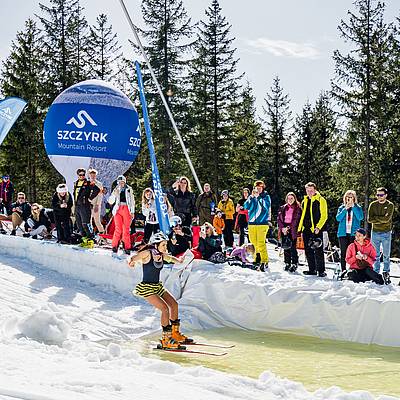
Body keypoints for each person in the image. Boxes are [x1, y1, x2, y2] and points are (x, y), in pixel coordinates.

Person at [127, 232, 191, 349]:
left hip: (157, 286)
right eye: (163, 245)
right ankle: (166, 339)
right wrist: (131, 262)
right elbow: (134, 257)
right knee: (164, 309)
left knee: (174, 305)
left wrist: (179, 260)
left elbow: (170, 258)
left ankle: (175, 334)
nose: (166, 247)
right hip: (147, 288)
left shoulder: (161, 255)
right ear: (156, 245)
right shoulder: (148, 253)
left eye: (166, 245)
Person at [297, 182, 328, 277]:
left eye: (311, 190)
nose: (309, 192)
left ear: (315, 190)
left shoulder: (321, 200)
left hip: (316, 229)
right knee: (308, 250)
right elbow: (303, 215)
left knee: (318, 249)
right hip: (306, 228)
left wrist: (318, 227)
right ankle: (312, 269)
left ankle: (321, 270)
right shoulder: (304, 201)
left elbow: (324, 215)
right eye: (308, 190)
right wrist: (300, 228)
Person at [367, 187, 394, 284]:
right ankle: (376, 272)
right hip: (375, 232)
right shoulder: (373, 205)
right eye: (377, 195)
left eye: (381, 195)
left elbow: (386, 219)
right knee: (375, 255)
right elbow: (369, 219)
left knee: (386, 255)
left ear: (386, 195)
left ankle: (386, 272)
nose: (379, 197)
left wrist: (376, 218)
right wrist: (381, 219)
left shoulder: (390, 205)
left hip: (386, 232)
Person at [244, 180, 271, 271]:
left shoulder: (266, 197)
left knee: (261, 242)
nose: (258, 189)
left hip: (262, 223)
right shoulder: (252, 197)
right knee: (253, 242)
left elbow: (266, 206)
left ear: (263, 188)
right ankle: (256, 258)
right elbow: (246, 206)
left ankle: (265, 260)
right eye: (257, 188)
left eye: (260, 188)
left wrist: (258, 197)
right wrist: (251, 197)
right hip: (252, 223)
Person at [336, 190, 364, 272]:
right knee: (343, 253)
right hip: (343, 234)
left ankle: (353, 269)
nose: (349, 199)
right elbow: (338, 218)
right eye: (347, 197)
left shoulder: (358, 207)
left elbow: (360, 217)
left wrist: (353, 207)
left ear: (354, 198)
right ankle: (343, 270)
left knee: (354, 252)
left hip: (353, 234)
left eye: (351, 197)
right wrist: (345, 209)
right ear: (345, 198)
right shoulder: (341, 207)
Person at [108, 175, 135, 254]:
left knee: (126, 229)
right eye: (119, 182)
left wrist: (132, 211)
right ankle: (114, 246)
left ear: (125, 182)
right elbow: (110, 201)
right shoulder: (116, 189)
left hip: (127, 209)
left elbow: (132, 201)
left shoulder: (129, 189)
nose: (121, 183)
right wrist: (114, 194)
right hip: (118, 209)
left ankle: (127, 247)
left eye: (122, 182)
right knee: (118, 228)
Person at [277, 192, 302, 272]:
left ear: (294, 199)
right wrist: (282, 228)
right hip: (284, 228)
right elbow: (279, 219)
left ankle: (294, 263)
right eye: (288, 198)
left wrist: (288, 228)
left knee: (292, 247)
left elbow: (296, 220)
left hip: (292, 229)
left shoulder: (297, 208)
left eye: (292, 198)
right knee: (285, 246)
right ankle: (287, 263)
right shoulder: (283, 207)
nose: (290, 200)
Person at [73, 168, 100, 240]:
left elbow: (97, 190)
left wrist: (90, 198)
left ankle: (91, 238)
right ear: (78, 175)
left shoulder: (88, 183)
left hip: (85, 206)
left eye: (83, 175)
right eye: (80, 175)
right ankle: (84, 238)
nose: (82, 176)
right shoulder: (76, 183)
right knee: (79, 224)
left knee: (86, 224)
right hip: (77, 206)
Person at [88, 168, 104, 234]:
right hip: (88, 204)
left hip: (96, 204)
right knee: (88, 221)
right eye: (91, 175)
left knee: (97, 221)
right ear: (89, 175)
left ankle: (103, 234)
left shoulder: (99, 184)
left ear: (96, 176)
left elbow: (100, 195)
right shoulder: (87, 183)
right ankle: (91, 234)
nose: (92, 176)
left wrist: (97, 205)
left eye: (94, 175)